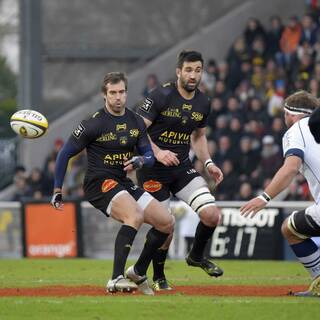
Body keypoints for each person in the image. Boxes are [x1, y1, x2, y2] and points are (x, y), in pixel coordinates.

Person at [51, 72, 174, 295]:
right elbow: (64, 153)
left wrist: (139, 160)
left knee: (167, 222)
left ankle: (137, 271)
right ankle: (115, 278)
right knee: (134, 215)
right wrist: (57, 189)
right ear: (104, 95)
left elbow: (148, 154)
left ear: (127, 93)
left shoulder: (136, 121)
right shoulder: (93, 122)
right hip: (98, 182)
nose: (118, 97)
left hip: (122, 181)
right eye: (113, 93)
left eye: (122, 92)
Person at [136, 50, 224, 291]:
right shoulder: (161, 95)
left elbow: (199, 136)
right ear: (178, 72)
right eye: (188, 70)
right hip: (153, 171)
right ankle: (159, 276)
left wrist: (208, 163)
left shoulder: (204, 102)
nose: (193, 75)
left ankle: (196, 256)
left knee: (212, 215)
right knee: (166, 226)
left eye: (197, 70)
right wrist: (157, 152)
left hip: (181, 168)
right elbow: (137, 131)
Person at [240, 90, 320, 297]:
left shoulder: (296, 130)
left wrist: (263, 197)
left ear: (290, 114)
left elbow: (291, 167)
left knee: (290, 229)